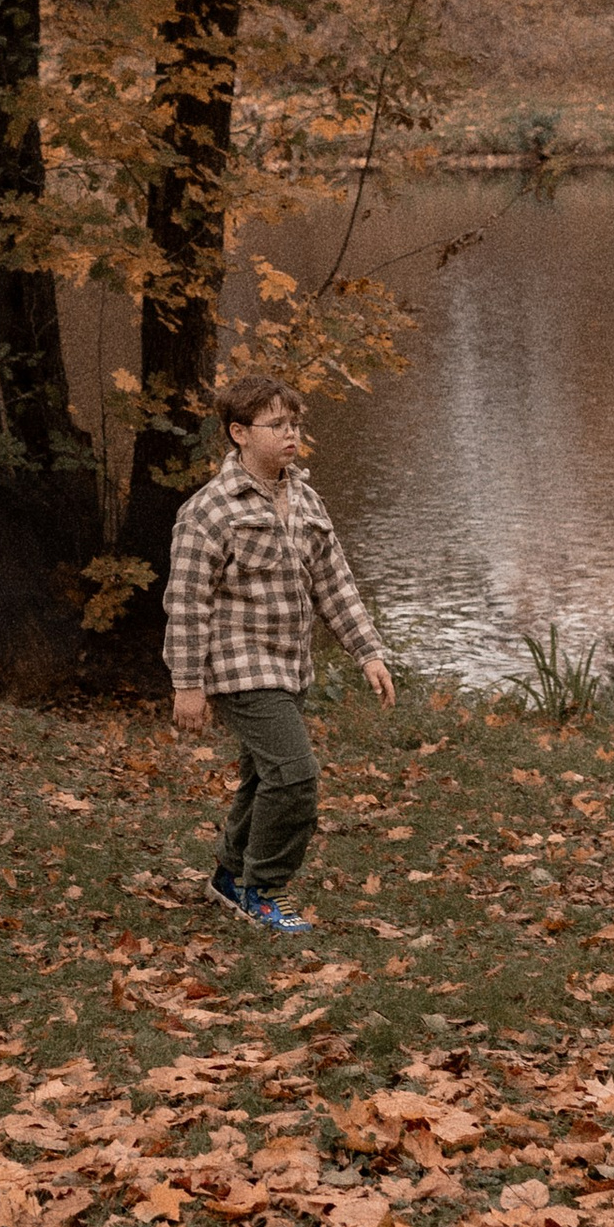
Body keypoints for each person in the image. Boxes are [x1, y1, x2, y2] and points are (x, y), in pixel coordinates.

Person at [164, 374, 395, 933]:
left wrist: (368, 652)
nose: (291, 434)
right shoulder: (210, 511)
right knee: (294, 777)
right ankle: (262, 887)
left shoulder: (308, 501)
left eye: (295, 424)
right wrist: (188, 684)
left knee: (263, 775)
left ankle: (228, 875)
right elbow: (187, 603)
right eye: (278, 425)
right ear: (239, 433)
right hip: (239, 668)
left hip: (290, 667)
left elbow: (334, 585)